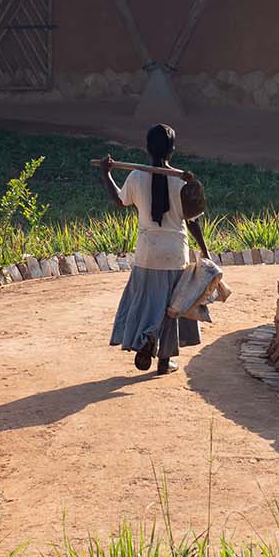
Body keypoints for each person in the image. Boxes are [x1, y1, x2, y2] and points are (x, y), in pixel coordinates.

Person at [100, 123, 211, 375]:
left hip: (147, 253)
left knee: (145, 302)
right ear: (172, 150)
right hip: (175, 253)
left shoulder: (136, 176)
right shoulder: (182, 180)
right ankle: (164, 361)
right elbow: (193, 220)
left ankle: (148, 335)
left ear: (147, 148)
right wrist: (204, 250)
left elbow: (120, 201)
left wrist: (106, 173)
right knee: (172, 307)